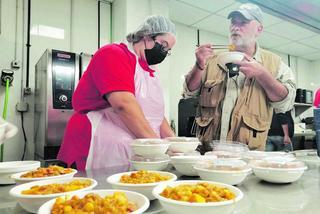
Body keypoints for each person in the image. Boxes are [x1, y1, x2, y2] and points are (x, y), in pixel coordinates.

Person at [58, 15, 176, 170]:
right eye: (163, 44)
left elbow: (156, 116)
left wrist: (176, 145)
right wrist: (158, 148)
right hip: (94, 144)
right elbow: (123, 105)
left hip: (134, 149)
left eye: (168, 50)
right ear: (147, 36)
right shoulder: (114, 54)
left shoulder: (150, 72)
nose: (164, 52)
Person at [182, 3, 296, 152]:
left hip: (248, 161)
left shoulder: (274, 63)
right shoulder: (210, 60)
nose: (235, 27)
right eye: (233, 22)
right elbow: (188, 92)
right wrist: (199, 65)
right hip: (207, 157)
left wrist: (262, 74)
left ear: (259, 29)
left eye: (243, 22)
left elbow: (286, 104)